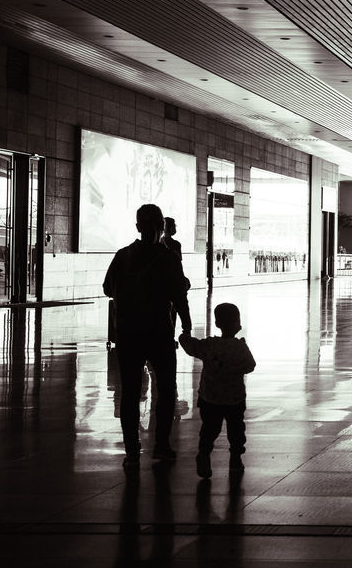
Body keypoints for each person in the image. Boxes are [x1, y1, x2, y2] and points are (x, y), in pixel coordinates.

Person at [103, 203, 193, 467]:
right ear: (161, 227)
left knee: (130, 392)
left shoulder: (122, 255)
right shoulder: (168, 258)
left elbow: (108, 288)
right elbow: (180, 297)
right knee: (165, 390)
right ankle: (162, 445)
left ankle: (132, 450)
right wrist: (187, 327)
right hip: (159, 332)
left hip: (128, 333)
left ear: (138, 227)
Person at [179, 302, 256, 478]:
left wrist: (184, 335)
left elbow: (191, 347)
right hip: (234, 399)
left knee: (209, 429)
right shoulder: (239, 347)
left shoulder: (209, 345)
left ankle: (204, 455)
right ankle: (235, 458)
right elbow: (250, 365)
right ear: (238, 325)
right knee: (236, 429)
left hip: (210, 398)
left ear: (217, 324)